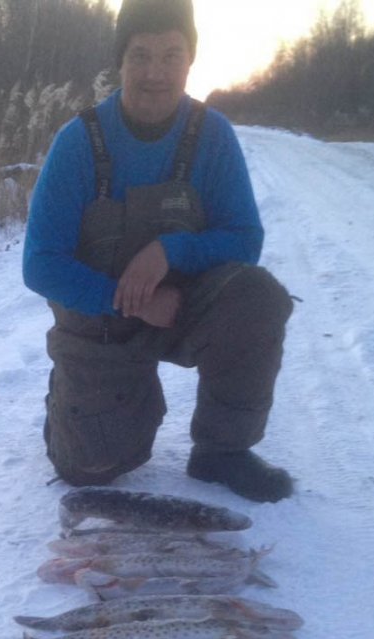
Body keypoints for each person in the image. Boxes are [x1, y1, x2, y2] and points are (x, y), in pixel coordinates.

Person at [22, 0, 295, 503]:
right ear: (120, 61)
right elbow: (40, 264)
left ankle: (222, 451)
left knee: (257, 297)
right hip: (100, 324)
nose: (155, 72)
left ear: (191, 60)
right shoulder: (78, 142)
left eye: (171, 55)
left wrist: (170, 250)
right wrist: (130, 300)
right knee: (91, 468)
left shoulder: (213, 136)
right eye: (140, 55)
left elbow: (244, 238)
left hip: (181, 309)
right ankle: (72, 402)